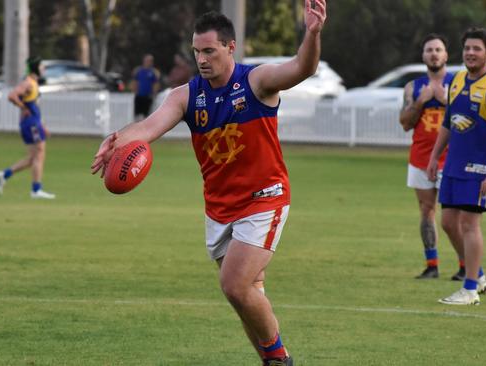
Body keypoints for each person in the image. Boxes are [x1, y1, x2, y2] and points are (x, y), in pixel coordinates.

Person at [91, 2, 326, 364]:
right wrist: (117, 140)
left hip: (264, 198)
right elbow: (148, 128)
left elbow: (303, 67)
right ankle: (270, 360)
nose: (201, 59)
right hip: (219, 208)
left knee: (235, 286)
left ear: (230, 48)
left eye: (209, 51)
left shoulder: (256, 82)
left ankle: (281, 360)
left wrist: (312, 33)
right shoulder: (185, 96)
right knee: (248, 297)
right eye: (197, 51)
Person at [427, 27, 486, 305]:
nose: (471, 53)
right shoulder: (458, 79)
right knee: (449, 222)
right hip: (453, 165)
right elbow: (448, 123)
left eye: (477, 49)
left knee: (469, 223)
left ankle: (470, 289)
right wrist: (433, 157)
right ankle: (480, 275)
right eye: (467, 48)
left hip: (479, 169)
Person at [399, 34, 464, 281]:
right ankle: (432, 265)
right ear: (423, 56)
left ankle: (464, 266)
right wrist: (420, 102)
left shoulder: (459, 84)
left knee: (452, 215)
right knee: (426, 211)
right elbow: (405, 123)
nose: (434, 54)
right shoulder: (413, 87)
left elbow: (469, 122)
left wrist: (447, 101)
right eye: (429, 50)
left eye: (438, 49)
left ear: (446, 55)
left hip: (451, 158)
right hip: (420, 158)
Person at [0, 56, 56, 199]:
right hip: (31, 123)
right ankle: (36, 190)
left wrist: (43, 125)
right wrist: (23, 107)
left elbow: (35, 107)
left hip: (34, 123)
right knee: (39, 154)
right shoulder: (28, 83)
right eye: (41, 66)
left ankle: (4, 175)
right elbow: (12, 96)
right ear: (35, 67)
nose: (44, 69)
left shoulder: (33, 83)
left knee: (32, 158)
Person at [131, 53, 161, 118]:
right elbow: (135, 82)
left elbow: (156, 84)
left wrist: (154, 94)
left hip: (148, 97)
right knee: (137, 115)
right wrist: (135, 91)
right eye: (147, 60)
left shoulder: (154, 72)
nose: (148, 62)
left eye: (150, 61)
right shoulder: (138, 70)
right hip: (139, 96)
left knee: (147, 116)